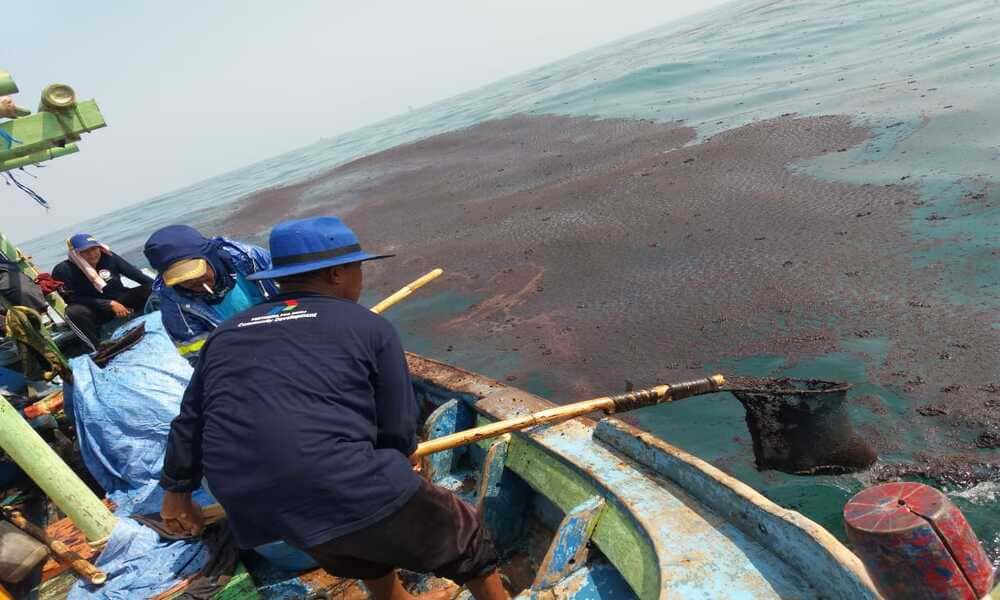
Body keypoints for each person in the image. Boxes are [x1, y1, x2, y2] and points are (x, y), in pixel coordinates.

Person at [158, 217, 508, 600]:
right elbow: (395, 427)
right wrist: (401, 463)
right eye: (358, 268)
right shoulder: (368, 325)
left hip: (251, 503)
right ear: (338, 274)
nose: (360, 278)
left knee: (355, 546)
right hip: (334, 478)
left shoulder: (227, 334)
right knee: (468, 539)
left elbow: (190, 420)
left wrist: (178, 491)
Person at [143, 225, 278, 361]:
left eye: (198, 273)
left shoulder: (250, 259)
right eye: (184, 279)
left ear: (210, 257)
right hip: (241, 353)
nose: (195, 281)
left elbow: (292, 289)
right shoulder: (174, 306)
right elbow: (199, 355)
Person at [51, 234, 153, 347]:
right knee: (73, 312)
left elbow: (137, 275)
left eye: (94, 249)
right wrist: (108, 304)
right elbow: (71, 299)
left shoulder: (109, 257)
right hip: (95, 311)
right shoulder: (63, 270)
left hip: (121, 301)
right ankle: (98, 347)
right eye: (85, 251)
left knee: (151, 288)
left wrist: (164, 287)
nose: (92, 254)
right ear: (76, 254)